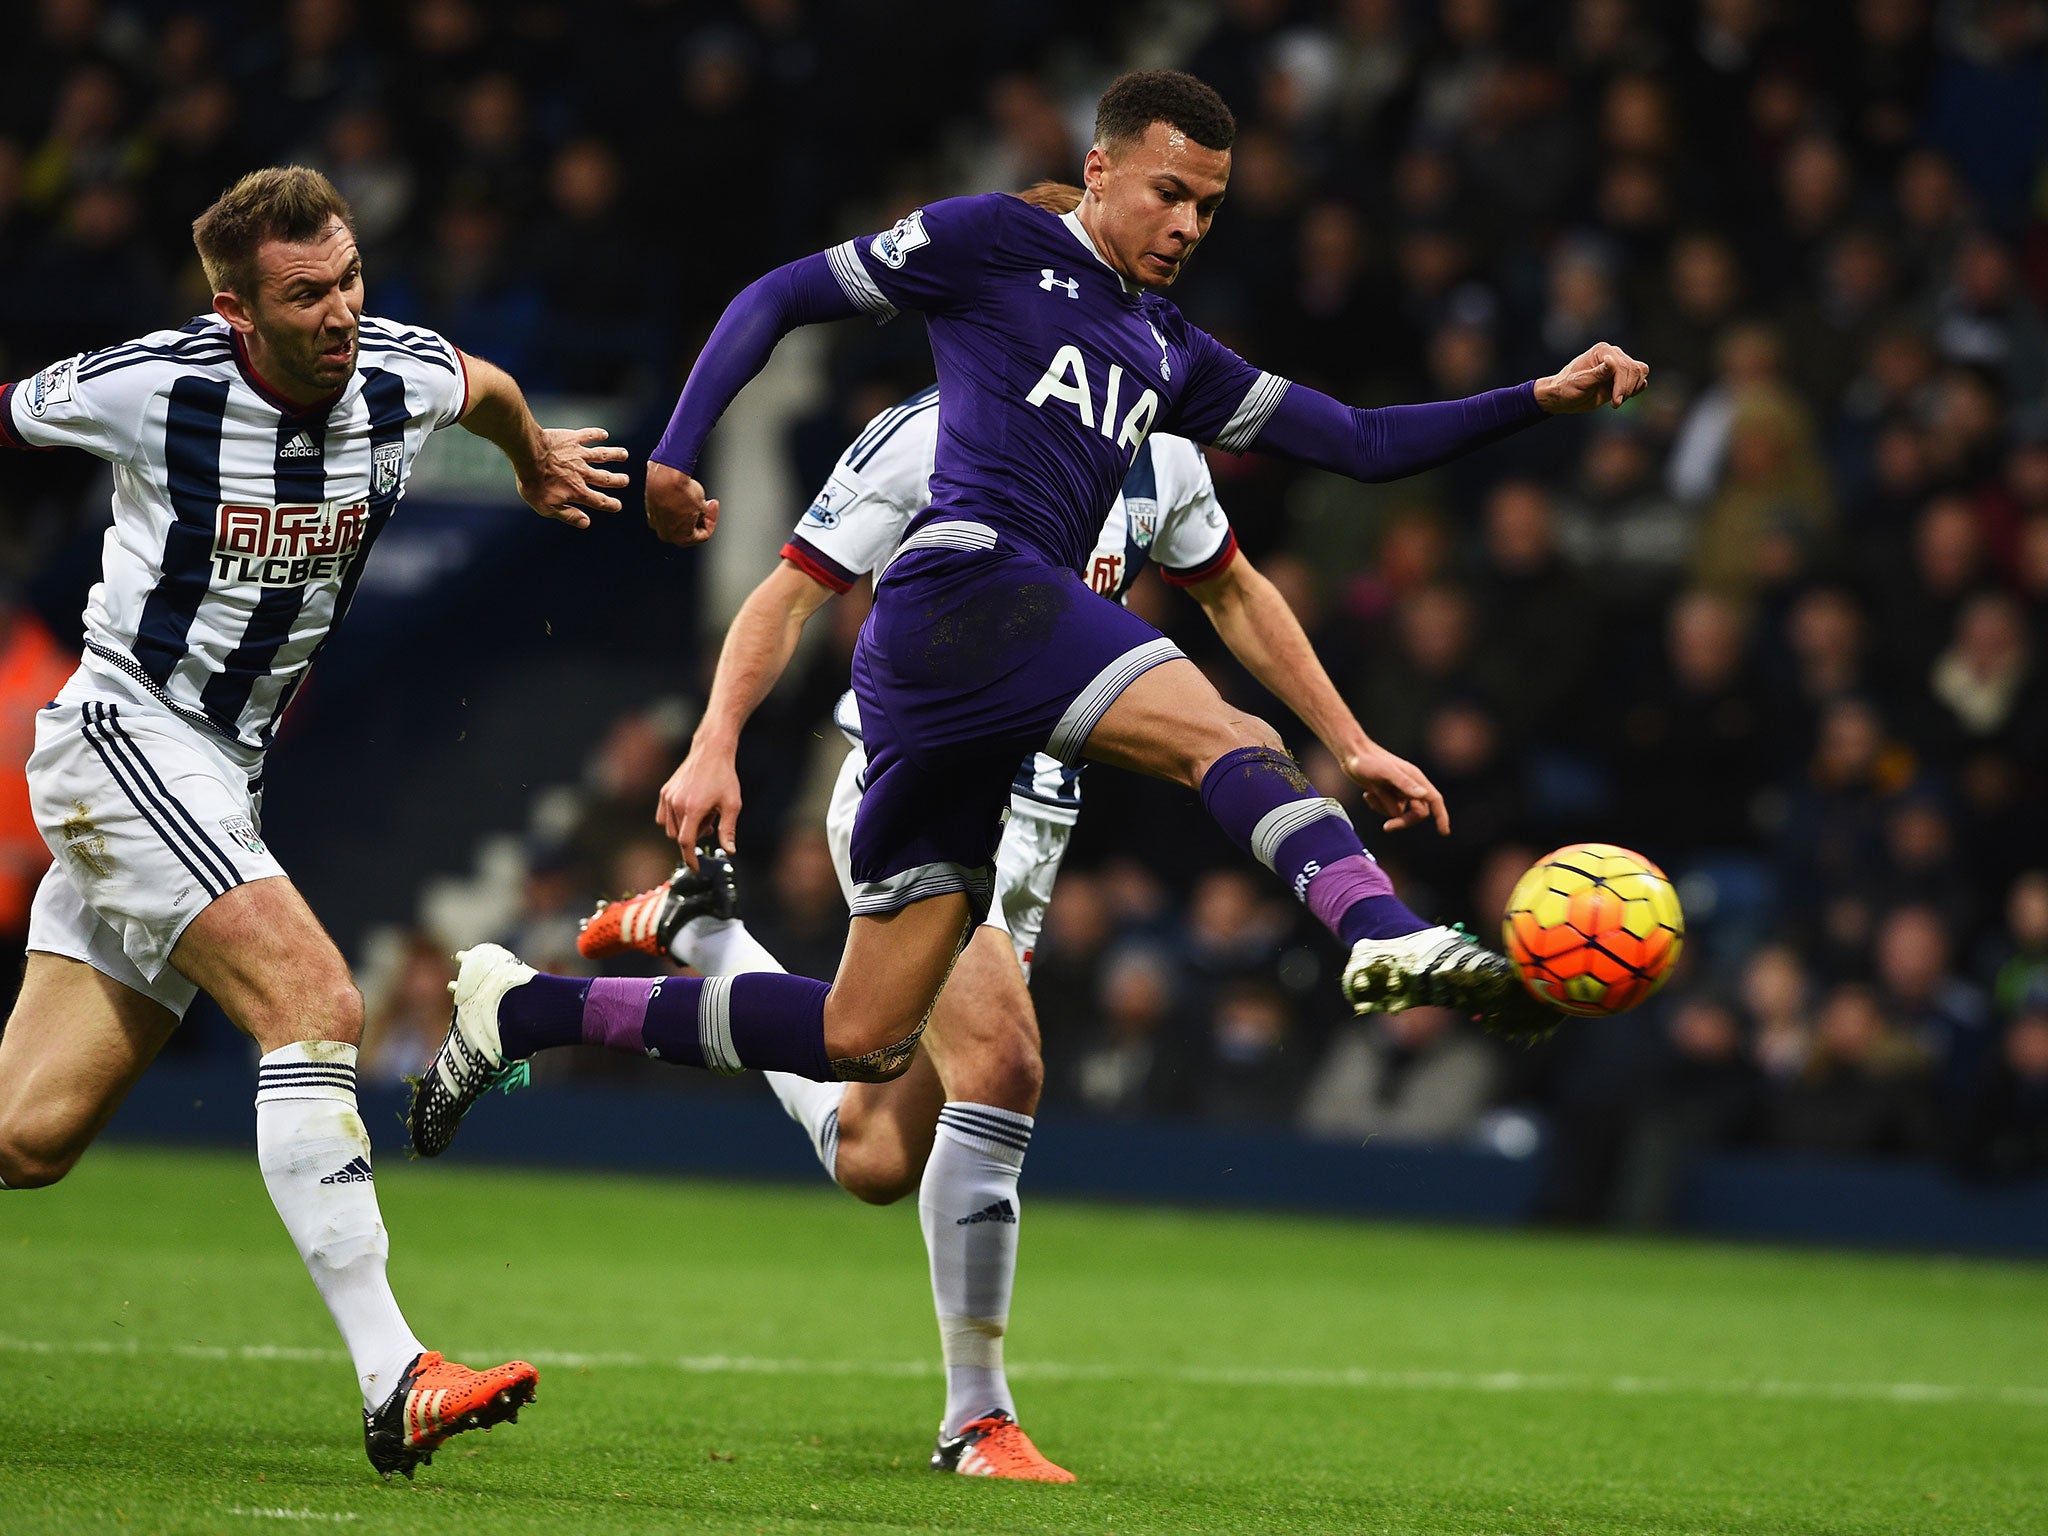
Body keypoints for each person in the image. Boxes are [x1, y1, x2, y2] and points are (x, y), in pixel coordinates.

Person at [410, 64, 1644, 1356]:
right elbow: (779, 295)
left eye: (1211, 209)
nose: (1188, 226)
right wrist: (675, 452)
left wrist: (1536, 402)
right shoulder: (990, 241)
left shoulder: (1168, 357)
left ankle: (524, 1007)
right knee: (1228, 742)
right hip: (963, 598)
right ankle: (1381, 932)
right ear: (1100, 169)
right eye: (1169, 193)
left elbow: (1359, 440)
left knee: (861, 1048)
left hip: (983, 724)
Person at [564, 179, 1438, 1477]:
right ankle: (977, 1418)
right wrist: (713, 741)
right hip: (913, 779)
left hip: (1043, 828)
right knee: (1011, 1070)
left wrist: (1351, 736)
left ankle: (705, 945)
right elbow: (788, 597)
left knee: (870, 1149)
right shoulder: (927, 440)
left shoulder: (1162, 445)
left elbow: (1240, 594)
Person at [0, 166, 629, 1479]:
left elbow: (492, 386)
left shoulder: (398, 367)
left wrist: (536, 462)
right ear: (236, 309)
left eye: (347, 277)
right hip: (123, 740)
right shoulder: (153, 385)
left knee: (31, 1139)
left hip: (222, 775)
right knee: (316, 1001)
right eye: (305, 294)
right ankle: (397, 1375)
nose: (340, 310)